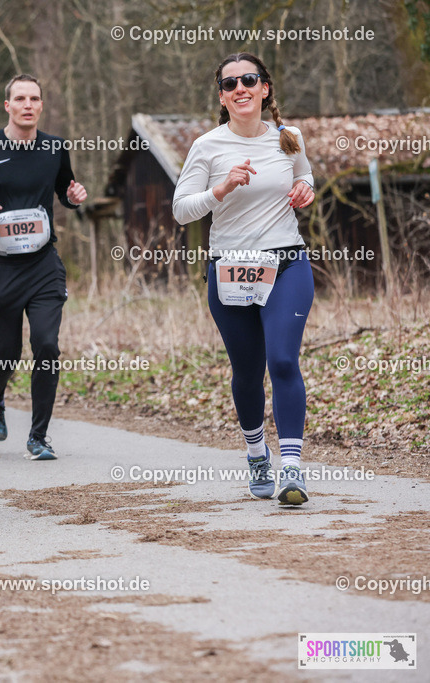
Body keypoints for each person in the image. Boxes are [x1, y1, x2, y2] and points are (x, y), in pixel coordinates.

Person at [172, 52, 315, 505]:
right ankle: (257, 453)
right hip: (230, 269)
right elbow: (181, 210)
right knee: (248, 372)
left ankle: (291, 469)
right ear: (222, 97)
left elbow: (304, 175)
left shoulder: (289, 137)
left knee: (284, 361)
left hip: (287, 262)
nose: (241, 89)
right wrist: (220, 189)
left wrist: (306, 189)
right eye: (230, 83)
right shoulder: (207, 146)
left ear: (264, 88)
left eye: (249, 80)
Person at [0, 74, 87, 461]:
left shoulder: (54, 147)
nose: (27, 105)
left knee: (47, 345)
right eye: (20, 99)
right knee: (7, 351)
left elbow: (65, 189)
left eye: (34, 99)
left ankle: (38, 436)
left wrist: (74, 196)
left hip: (43, 263)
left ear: (41, 105)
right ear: (8, 106)